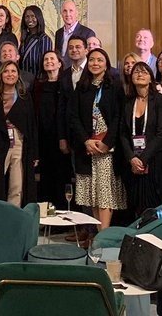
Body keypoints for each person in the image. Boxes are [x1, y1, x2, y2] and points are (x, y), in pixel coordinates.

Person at [70, 48, 127, 229]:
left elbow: (119, 117)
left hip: (106, 149)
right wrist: (86, 141)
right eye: (92, 60)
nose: (95, 63)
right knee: (92, 194)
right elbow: (73, 116)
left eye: (99, 60)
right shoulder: (82, 86)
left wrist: (107, 143)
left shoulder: (115, 86)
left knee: (104, 194)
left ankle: (103, 237)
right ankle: (99, 234)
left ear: (106, 64)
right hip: (87, 147)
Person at [0, 61, 38, 207]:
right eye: (6, 71)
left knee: (17, 186)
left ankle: (13, 218)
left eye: (13, 71)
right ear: (1, 75)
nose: (10, 74)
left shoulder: (24, 97)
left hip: (19, 143)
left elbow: (32, 125)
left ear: (18, 75)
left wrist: (34, 153)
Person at [117, 61, 162, 214]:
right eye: (136, 72)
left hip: (153, 161)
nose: (140, 74)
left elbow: (161, 133)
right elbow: (123, 133)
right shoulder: (127, 101)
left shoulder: (159, 100)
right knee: (134, 203)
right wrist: (132, 158)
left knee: (152, 205)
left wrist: (143, 159)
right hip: (132, 162)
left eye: (144, 72)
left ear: (151, 78)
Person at [33, 50, 71, 205]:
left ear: (60, 63)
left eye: (52, 59)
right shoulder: (38, 87)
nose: (49, 61)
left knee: (61, 176)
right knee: (45, 176)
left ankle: (62, 211)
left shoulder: (66, 84)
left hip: (61, 138)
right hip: (43, 138)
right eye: (46, 59)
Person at [18, 6, 52, 77]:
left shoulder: (44, 39)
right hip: (23, 79)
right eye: (27, 17)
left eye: (33, 16)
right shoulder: (24, 38)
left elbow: (45, 63)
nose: (30, 19)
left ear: (38, 18)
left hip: (36, 80)